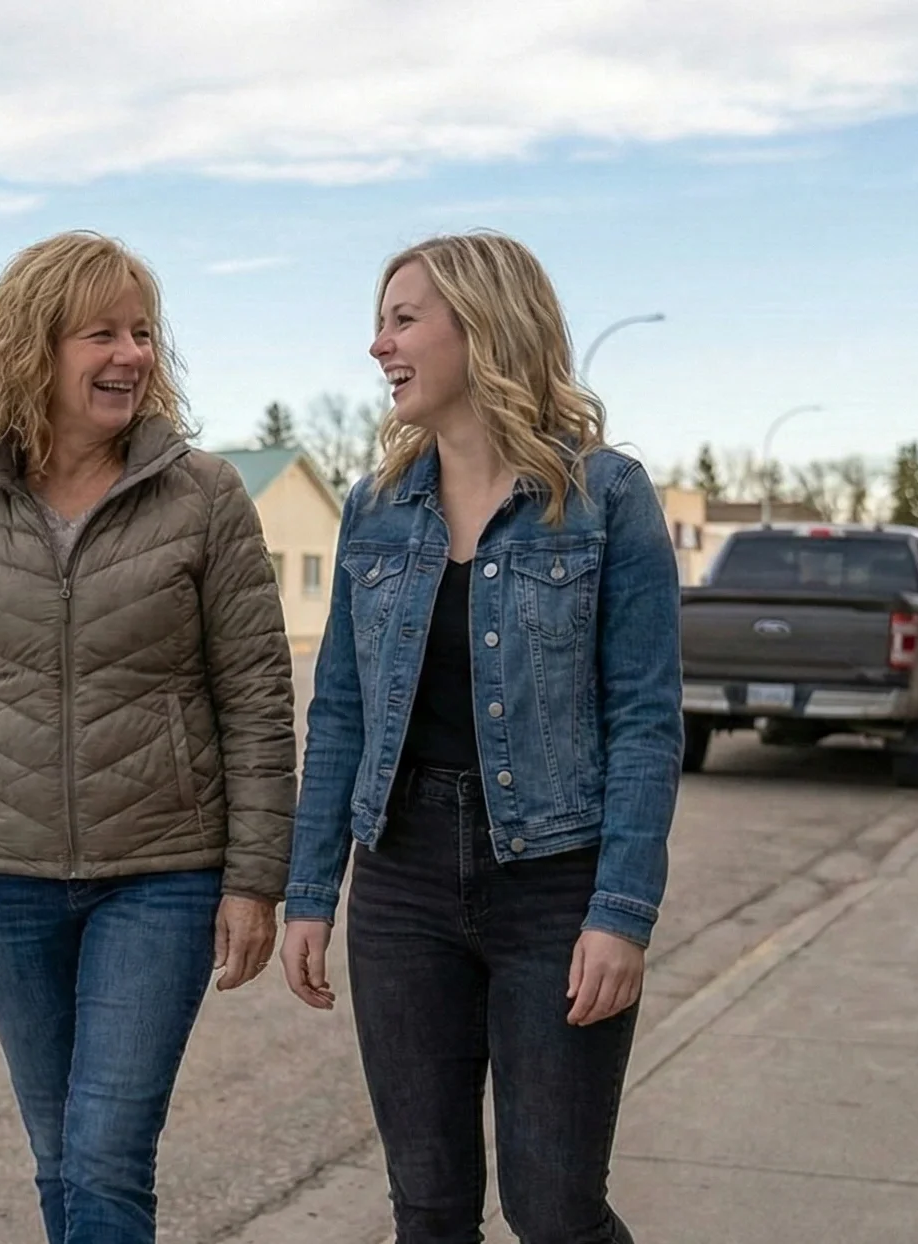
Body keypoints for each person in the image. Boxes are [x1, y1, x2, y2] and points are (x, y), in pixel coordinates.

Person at [0, 231, 297, 1244]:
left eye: (144, 332)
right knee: (60, 1152)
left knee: (106, 1152)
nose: (132, 354)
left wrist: (255, 877)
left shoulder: (203, 494)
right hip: (7, 877)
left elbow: (256, 692)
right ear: (34, 349)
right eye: (101, 332)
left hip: (163, 873)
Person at [280, 232, 683, 1244]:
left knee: (553, 1210)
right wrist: (309, 891)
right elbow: (340, 712)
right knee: (430, 1208)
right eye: (382, 321)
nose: (379, 345)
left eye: (403, 319)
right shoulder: (376, 508)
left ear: (485, 327)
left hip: (553, 883)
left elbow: (645, 719)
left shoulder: (605, 498)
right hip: (403, 879)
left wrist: (622, 912)